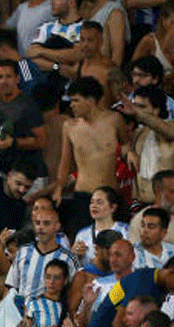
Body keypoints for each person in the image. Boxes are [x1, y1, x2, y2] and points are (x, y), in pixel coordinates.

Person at [55, 76, 128, 236]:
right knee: (82, 243)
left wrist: (131, 154)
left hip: (110, 195)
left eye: (76, 100)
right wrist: (59, 188)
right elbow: (65, 163)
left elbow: (127, 145)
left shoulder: (115, 120)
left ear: (90, 101)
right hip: (83, 195)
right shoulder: (69, 127)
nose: (71, 105)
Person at [5, 207, 80, 302]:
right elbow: (10, 286)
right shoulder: (22, 252)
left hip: (50, 314)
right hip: (20, 313)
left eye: (46, 223)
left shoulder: (69, 259)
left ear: (57, 226)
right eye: (37, 223)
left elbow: (75, 292)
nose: (40, 227)